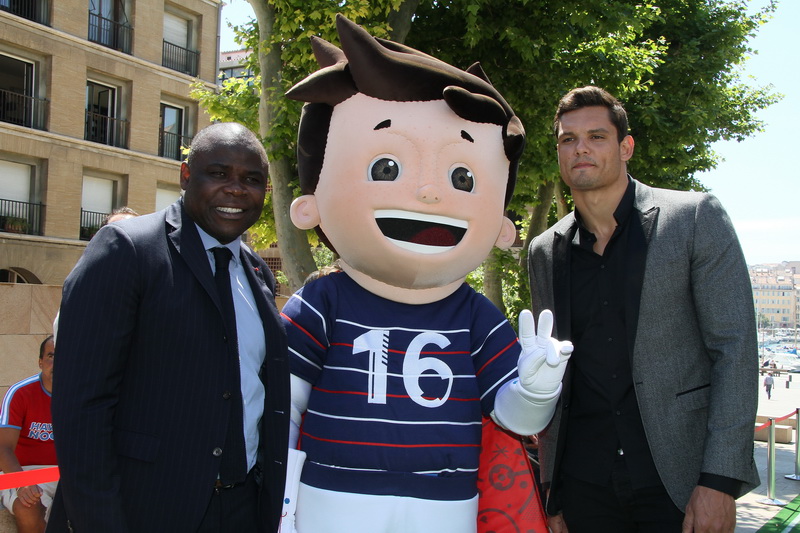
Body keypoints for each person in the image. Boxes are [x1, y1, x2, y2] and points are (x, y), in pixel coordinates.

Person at [279, 15, 571, 533]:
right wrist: (277, 498)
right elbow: (283, 403)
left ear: (503, 224)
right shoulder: (324, 303)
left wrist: (537, 390)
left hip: (445, 502)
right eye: (387, 167)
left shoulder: (474, 316)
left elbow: (514, 418)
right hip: (333, 496)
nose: (430, 194)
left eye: (462, 176)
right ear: (310, 205)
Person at [528, 86, 759, 533]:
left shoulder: (693, 219)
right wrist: (552, 489)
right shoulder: (543, 251)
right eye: (567, 139)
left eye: (596, 136)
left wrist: (720, 481)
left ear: (625, 146)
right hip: (583, 485)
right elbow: (556, 375)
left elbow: (735, 350)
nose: (581, 149)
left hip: (680, 480)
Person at [47, 122, 290, 533]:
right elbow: (81, 407)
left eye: (252, 180)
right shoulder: (127, 249)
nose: (236, 189)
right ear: (185, 174)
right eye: (219, 173)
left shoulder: (257, 274)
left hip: (242, 507)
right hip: (141, 510)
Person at [0, 336, 56, 533]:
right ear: (40, 361)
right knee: (28, 505)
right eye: (51, 356)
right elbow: (2, 447)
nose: (57, 363)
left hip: (65, 474)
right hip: (21, 471)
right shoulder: (20, 392)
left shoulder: (83, 396)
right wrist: (22, 483)